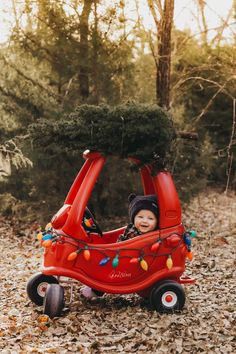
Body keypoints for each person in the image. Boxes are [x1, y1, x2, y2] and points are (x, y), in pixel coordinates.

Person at [81, 193, 159, 299]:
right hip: (123, 257)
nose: (144, 220)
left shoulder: (152, 236)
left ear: (157, 222)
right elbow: (122, 241)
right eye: (140, 217)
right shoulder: (131, 229)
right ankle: (95, 287)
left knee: (107, 269)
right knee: (104, 262)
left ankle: (97, 290)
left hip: (131, 265)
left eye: (150, 218)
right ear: (133, 218)